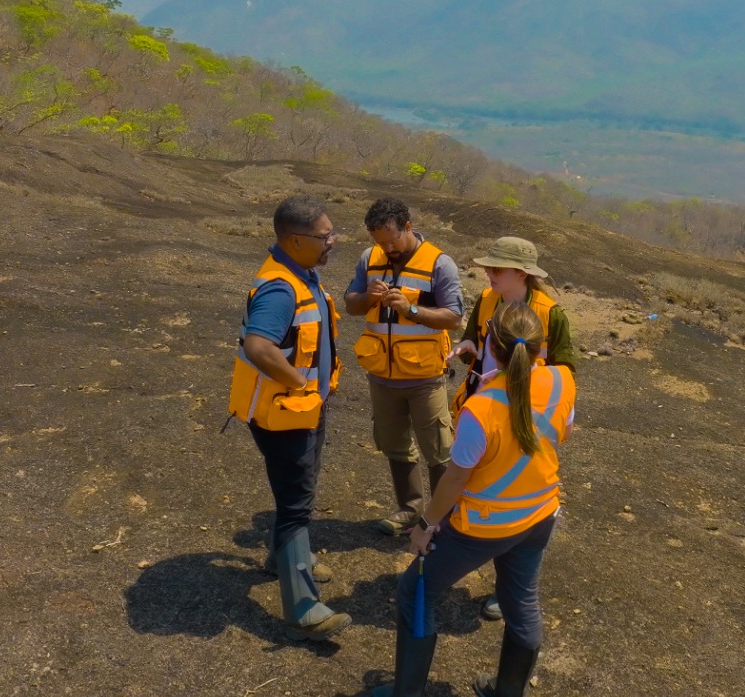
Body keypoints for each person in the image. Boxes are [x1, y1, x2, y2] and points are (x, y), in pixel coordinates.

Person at [346, 302, 577, 697]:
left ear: (492, 345)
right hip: (539, 514)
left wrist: (425, 526)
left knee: (416, 590)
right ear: (540, 348)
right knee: (521, 602)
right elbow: (560, 431)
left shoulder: (482, 408)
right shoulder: (563, 380)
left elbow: (453, 482)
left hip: (484, 526)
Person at [225, 194, 351, 641]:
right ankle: (303, 608)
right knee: (297, 503)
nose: (332, 241)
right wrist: (300, 384)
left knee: (298, 489)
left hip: (304, 410)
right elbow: (258, 346)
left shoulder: (303, 274)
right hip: (286, 413)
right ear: (295, 240)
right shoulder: (280, 287)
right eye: (324, 235)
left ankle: (282, 558)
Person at [451, 235, 578, 620]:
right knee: (481, 492)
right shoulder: (487, 300)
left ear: (521, 274)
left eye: (496, 269)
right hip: (486, 412)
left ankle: (506, 589)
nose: (488, 273)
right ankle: (501, 579)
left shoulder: (550, 313)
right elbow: (473, 335)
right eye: (488, 267)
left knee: (517, 500)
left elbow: (566, 369)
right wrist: (467, 346)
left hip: (528, 419)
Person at [344, 198, 465, 536]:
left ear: (408, 226)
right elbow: (351, 304)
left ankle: (442, 520)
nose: (386, 247)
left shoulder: (440, 264)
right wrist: (369, 296)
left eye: (392, 239)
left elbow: (454, 317)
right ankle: (410, 509)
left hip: (425, 377)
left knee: (439, 450)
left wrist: (410, 310)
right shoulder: (370, 259)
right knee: (393, 443)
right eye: (379, 241)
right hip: (381, 375)